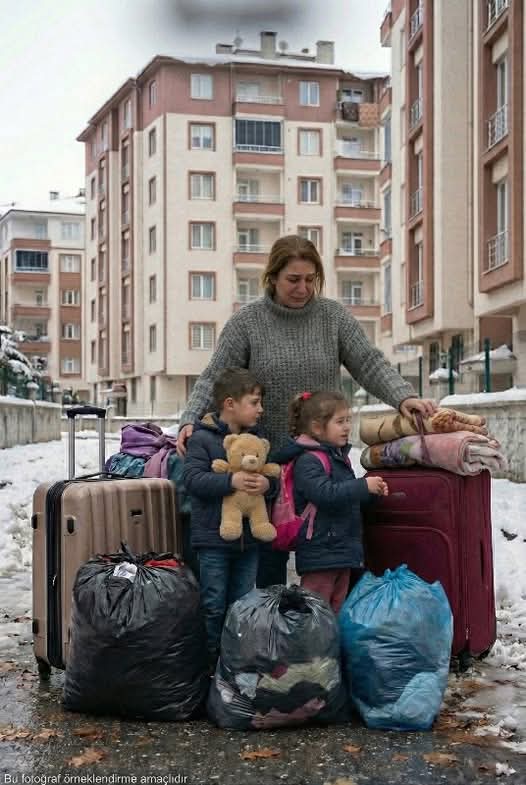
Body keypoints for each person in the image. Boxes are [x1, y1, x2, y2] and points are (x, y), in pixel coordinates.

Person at [177, 234, 438, 588]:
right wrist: (190, 420)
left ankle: (328, 619)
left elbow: (369, 362)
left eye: (310, 279)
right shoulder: (247, 323)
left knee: (332, 563)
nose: (303, 288)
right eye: (293, 280)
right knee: (270, 568)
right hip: (269, 464)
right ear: (272, 278)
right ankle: (270, 619)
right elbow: (216, 378)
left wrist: (403, 397)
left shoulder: (333, 316)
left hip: (324, 464)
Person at [182, 367, 277, 671]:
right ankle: (210, 666)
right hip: (212, 541)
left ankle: (236, 666)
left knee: (242, 606)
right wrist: (230, 481)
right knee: (213, 604)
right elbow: (193, 480)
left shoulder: (258, 440)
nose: (261, 410)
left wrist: (268, 485)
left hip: (248, 542)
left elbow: (273, 478)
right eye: (254, 402)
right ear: (230, 404)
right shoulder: (202, 439)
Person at [275, 390, 387, 613]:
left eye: (348, 420)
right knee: (314, 612)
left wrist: (371, 494)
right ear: (317, 427)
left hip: (341, 550)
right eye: (340, 422)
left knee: (336, 609)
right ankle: (313, 638)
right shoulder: (308, 460)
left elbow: (346, 498)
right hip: (320, 550)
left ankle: (331, 637)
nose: (347, 427)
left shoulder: (337, 457)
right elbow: (325, 494)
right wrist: (362, 487)